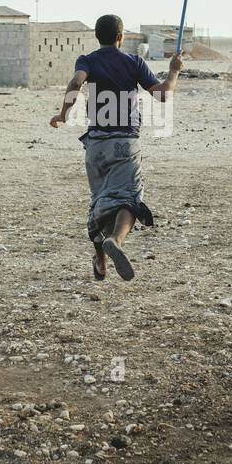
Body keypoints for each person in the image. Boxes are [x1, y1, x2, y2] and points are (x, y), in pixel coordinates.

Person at [50, 14, 183, 280]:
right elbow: (163, 94)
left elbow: (76, 82)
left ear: (97, 37)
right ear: (120, 38)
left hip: (96, 144)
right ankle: (117, 241)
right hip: (125, 143)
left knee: (99, 201)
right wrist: (174, 71)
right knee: (129, 197)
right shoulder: (133, 62)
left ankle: (100, 261)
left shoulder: (87, 60)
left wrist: (63, 114)